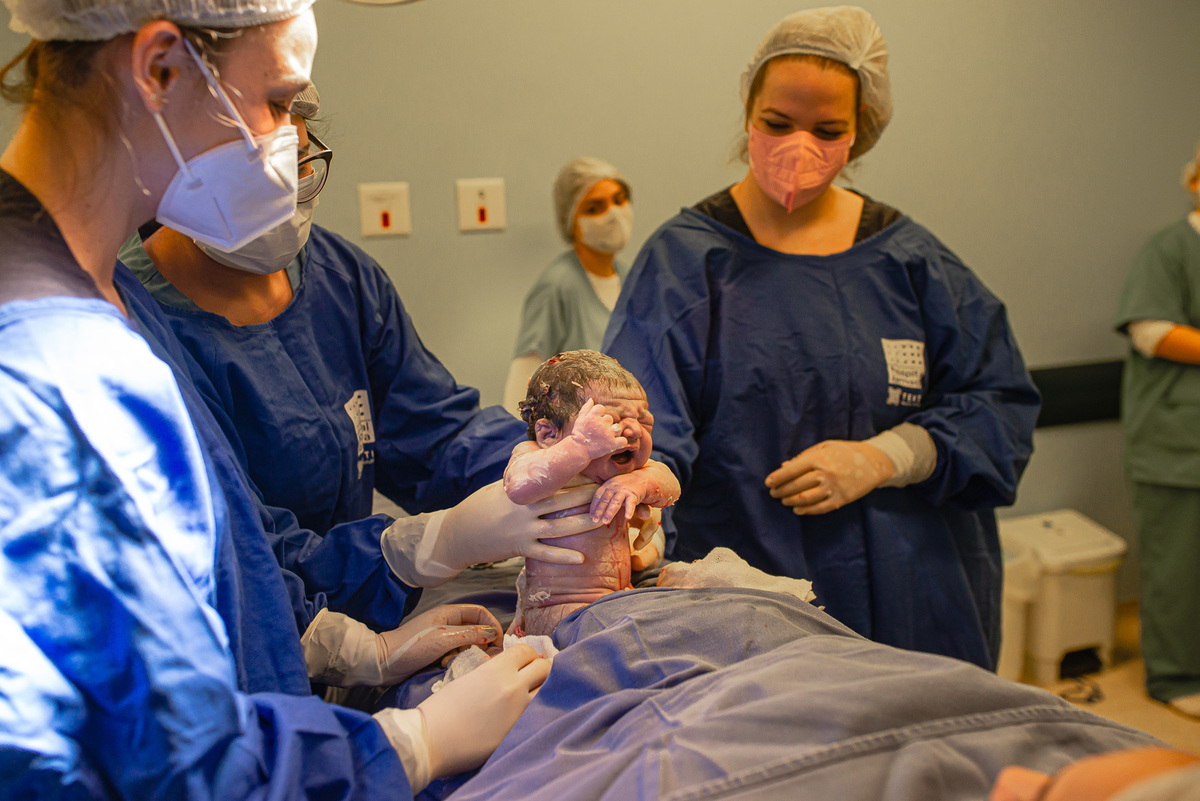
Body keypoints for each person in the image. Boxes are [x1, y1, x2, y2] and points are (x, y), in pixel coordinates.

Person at [0, 2, 599, 797]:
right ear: (161, 69)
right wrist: (404, 743)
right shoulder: (55, 374)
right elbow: (168, 765)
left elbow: (235, 578)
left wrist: (545, 464)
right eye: (278, 102)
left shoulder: (98, 305)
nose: (290, 138)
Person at [604, 6, 1040, 670]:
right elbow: (639, 431)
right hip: (752, 611)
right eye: (778, 124)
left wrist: (891, 454)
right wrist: (637, 512)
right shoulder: (686, 264)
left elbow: (1000, 404)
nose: (798, 147)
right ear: (748, 112)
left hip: (916, 607)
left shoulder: (911, 264)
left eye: (827, 129)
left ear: (860, 132)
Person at [119, 81, 525, 535]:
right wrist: (417, 552)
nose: (281, 196)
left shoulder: (341, 277)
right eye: (253, 174)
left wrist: (540, 460)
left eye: (297, 165)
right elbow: (243, 556)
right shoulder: (130, 330)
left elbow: (431, 437)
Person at [503, 350, 680, 635]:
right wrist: (580, 448)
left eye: (644, 421)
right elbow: (519, 487)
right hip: (558, 607)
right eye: (610, 419)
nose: (633, 430)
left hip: (620, 596)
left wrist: (639, 483)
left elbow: (670, 484)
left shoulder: (627, 472)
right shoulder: (535, 455)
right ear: (549, 435)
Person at [1115, 137, 1200, 718]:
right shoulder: (1170, 249)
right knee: (1178, 567)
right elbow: (1151, 331)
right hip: (1179, 442)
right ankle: (1176, 677)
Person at [503, 157, 634, 411]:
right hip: (571, 437)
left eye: (619, 200)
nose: (614, 214)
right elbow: (523, 382)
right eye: (595, 208)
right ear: (570, 220)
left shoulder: (628, 278)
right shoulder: (557, 287)